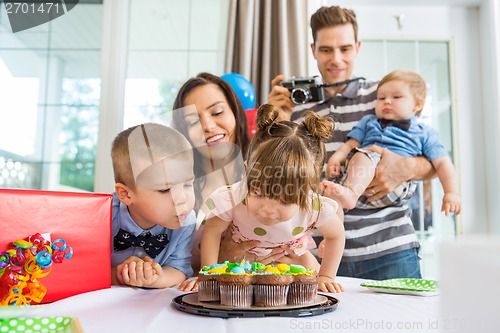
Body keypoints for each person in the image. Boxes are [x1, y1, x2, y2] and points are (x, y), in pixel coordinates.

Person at [267, 5, 436, 280]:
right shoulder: (296, 106)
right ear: (313, 50)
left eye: (345, 49)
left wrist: (406, 167)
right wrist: (279, 121)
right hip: (322, 254)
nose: (336, 59)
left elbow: (432, 159)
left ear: (357, 47)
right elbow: (276, 176)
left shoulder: (384, 97)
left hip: (390, 247)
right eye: (326, 50)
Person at [181, 104, 345, 293]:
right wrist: (207, 275)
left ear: (307, 189)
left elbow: (336, 235)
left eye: (284, 200)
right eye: (258, 193)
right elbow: (213, 231)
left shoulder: (313, 206)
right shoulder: (233, 197)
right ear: (247, 171)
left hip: (293, 259)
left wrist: (326, 275)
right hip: (244, 262)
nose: (267, 209)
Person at [323, 69, 462, 216]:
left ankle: (349, 194)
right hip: (359, 183)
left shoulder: (424, 132)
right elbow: (350, 144)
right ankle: (335, 232)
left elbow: (442, 163)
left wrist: (451, 192)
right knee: (331, 198)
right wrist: (336, 158)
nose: (387, 101)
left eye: (396, 97)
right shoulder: (369, 121)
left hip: (396, 187)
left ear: (417, 104)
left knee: (363, 156)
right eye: (381, 98)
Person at [171, 72, 254, 273]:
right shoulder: (177, 190)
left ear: (235, 112)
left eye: (217, 112)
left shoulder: (267, 175)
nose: (207, 126)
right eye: (193, 122)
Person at [110, 123, 197, 288]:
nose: (182, 199)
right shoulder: (102, 215)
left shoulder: (185, 219)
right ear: (125, 194)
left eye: (188, 184)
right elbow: (83, 269)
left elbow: (179, 269)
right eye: (165, 189)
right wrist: (117, 275)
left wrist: (156, 279)